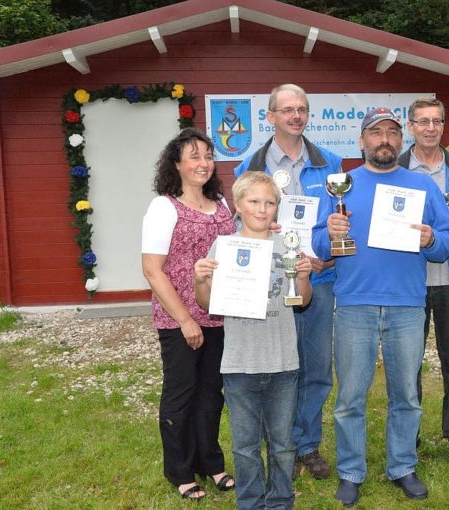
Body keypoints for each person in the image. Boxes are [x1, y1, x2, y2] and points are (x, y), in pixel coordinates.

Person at [312, 107, 449, 507]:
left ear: (402, 139)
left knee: (406, 395)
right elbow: (319, 249)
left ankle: (402, 467)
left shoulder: (422, 186)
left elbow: (448, 244)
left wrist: (430, 238)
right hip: (355, 304)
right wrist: (329, 231)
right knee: (350, 398)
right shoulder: (339, 184)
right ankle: (350, 471)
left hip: (407, 306)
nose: (385, 140)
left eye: (392, 132)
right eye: (376, 133)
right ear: (362, 141)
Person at [234, 83, 342, 480]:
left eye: (302, 109)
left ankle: (307, 444)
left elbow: (341, 223)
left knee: (315, 368)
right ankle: (280, 445)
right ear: (271, 116)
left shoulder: (329, 163)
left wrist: (326, 252)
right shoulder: (251, 165)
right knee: (275, 369)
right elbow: (239, 221)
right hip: (271, 284)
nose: (296, 116)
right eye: (288, 109)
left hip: (319, 278)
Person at [194, 171, 313, 510]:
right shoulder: (224, 247)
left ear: (278, 207)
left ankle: (280, 501)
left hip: (283, 363)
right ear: (238, 205)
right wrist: (199, 280)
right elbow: (207, 304)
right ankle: (250, 503)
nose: (262, 209)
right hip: (239, 364)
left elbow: (301, 301)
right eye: (254, 202)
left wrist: (302, 277)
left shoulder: (288, 247)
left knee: (283, 444)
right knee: (244, 446)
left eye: (270, 202)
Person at [141, 128, 236, 500]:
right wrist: (184, 319)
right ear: (177, 164)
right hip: (179, 319)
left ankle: (210, 462)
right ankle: (179, 470)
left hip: (219, 315)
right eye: (194, 156)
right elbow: (152, 269)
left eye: (208, 156)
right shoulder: (164, 207)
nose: (203, 163)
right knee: (181, 394)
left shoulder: (223, 205)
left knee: (212, 394)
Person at [397, 97, 449, 468]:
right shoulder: (394, 169)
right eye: (422, 121)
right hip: (408, 281)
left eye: (436, 121)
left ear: (444, 126)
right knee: (408, 364)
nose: (430, 128)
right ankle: (406, 437)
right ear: (410, 126)